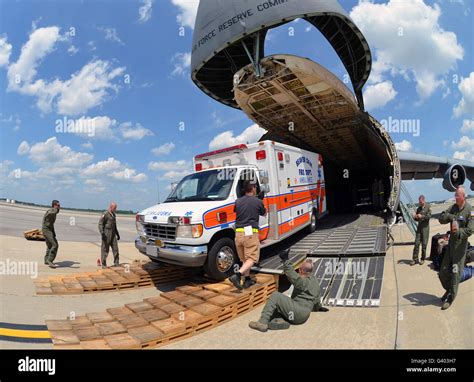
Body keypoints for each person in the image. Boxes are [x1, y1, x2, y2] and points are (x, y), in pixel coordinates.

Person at [249, 250, 327, 332]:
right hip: (304, 316)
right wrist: (319, 308)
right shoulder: (315, 282)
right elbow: (317, 299)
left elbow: (294, 277)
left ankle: (262, 323)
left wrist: (285, 260)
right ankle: (281, 321)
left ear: (301, 270)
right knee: (279, 304)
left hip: (297, 313)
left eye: (298, 270)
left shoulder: (303, 281)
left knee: (276, 296)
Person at [438, 186, 473, 310]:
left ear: (463, 197)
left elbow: (470, 229)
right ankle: (449, 290)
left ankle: (451, 298)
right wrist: (450, 217)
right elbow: (441, 218)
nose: (455, 198)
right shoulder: (453, 207)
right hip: (450, 248)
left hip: (460, 250)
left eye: (457, 196)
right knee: (443, 272)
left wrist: (459, 232)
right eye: (455, 195)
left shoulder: (470, 210)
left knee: (455, 272)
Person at [228, 180, 266, 290]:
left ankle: (247, 279)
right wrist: (260, 200)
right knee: (252, 258)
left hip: (238, 234)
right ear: (253, 188)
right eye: (255, 187)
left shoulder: (238, 201)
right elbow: (264, 213)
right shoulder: (258, 201)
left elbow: (238, 210)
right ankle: (238, 275)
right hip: (250, 233)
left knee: (245, 258)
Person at [98, 202, 121, 268]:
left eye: (116, 208)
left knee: (115, 249)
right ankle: (104, 264)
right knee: (105, 249)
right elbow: (100, 224)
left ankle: (116, 262)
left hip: (113, 234)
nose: (115, 209)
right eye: (114, 208)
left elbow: (115, 225)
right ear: (111, 207)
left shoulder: (114, 215)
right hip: (106, 233)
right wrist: (102, 233)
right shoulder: (105, 214)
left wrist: (117, 234)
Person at [411, 195, 431, 265]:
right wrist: (414, 217)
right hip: (419, 228)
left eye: (421, 202)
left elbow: (429, 217)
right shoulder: (419, 208)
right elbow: (417, 218)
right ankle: (415, 259)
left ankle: (422, 259)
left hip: (425, 228)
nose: (420, 203)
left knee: (424, 245)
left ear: (424, 200)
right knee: (416, 243)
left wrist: (421, 216)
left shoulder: (428, 207)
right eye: (419, 202)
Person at [42, 200, 60, 268]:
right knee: (55, 245)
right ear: (54, 205)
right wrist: (56, 209)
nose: (59, 206)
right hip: (46, 230)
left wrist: (53, 232)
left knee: (49, 245)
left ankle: (46, 260)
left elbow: (51, 224)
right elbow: (50, 213)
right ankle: (50, 260)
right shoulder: (51, 211)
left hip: (48, 229)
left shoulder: (54, 211)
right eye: (58, 205)